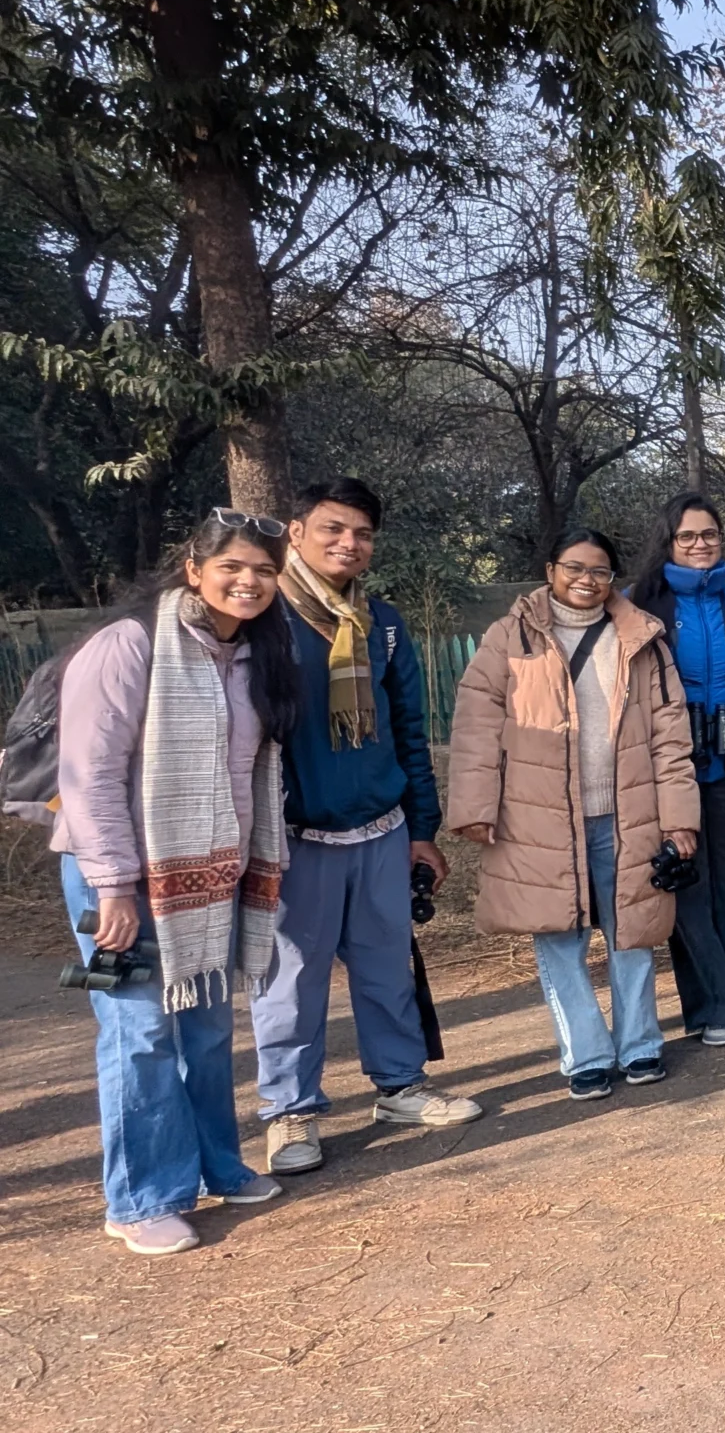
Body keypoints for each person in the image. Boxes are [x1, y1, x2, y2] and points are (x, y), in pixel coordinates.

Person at [54, 509, 298, 1254]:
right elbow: (90, 774)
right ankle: (141, 1198)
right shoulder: (128, 644)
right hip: (119, 877)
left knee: (206, 1027)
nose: (248, 582)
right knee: (140, 1033)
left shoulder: (255, 652)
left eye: (263, 570)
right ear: (194, 569)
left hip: (210, 875)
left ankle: (219, 1166)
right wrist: (113, 885)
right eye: (232, 567)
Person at [251, 478, 481, 1179]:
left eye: (362, 534)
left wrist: (421, 829)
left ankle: (400, 1086)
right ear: (296, 532)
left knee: (386, 967)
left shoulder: (380, 623)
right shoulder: (264, 619)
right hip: (297, 838)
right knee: (292, 981)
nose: (349, 544)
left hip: (381, 829)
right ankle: (290, 1110)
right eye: (333, 529)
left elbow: (409, 729)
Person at [447, 529, 699, 1101]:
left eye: (599, 571)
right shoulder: (508, 638)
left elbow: (670, 736)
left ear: (613, 577)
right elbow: (476, 728)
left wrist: (679, 817)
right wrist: (475, 807)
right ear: (551, 570)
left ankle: (639, 1044)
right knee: (559, 939)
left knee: (632, 932)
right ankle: (586, 1055)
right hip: (540, 820)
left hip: (626, 813)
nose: (587, 580)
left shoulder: (641, 638)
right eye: (574, 568)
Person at [628, 494, 725, 1047]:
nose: (700, 544)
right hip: (667, 771)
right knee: (687, 884)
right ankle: (714, 1008)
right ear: (668, 541)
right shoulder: (639, 605)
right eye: (687, 536)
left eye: (709, 534)